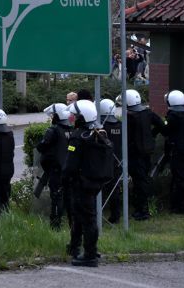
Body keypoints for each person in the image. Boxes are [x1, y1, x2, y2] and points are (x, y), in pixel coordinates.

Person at [65, 100, 115, 267]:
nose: (72, 117)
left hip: (81, 183)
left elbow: (70, 164)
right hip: (94, 182)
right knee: (81, 216)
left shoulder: (78, 137)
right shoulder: (97, 132)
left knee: (87, 218)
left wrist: (64, 179)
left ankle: (90, 255)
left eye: (75, 115)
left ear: (82, 117)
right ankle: (76, 247)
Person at [116, 89, 163, 220]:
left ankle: (142, 211)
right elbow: (162, 126)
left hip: (134, 153)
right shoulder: (148, 113)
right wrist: (152, 135)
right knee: (143, 179)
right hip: (147, 152)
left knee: (139, 182)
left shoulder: (130, 117)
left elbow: (125, 136)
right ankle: (142, 208)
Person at [36, 103, 72, 229]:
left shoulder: (53, 130)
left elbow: (41, 146)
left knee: (56, 196)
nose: (51, 118)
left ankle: (55, 224)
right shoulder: (69, 129)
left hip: (55, 170)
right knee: (66, 196)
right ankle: (70, 222)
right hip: (66, 168)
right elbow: (70, 148)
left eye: (52, 115)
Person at [162, 90, 184, 214]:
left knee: (179, 179)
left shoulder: (173, 116)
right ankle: (178, 204)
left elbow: (166, 131)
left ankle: (181, 206)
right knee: (181, 177)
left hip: (178, 151)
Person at [99, 99, 123, 223]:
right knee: (115, 190)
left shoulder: (102, 127)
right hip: (118, 163)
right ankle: (116, 216)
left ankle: (98, 215)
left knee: (101, 190)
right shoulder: (120, 124)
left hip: (104, 164)